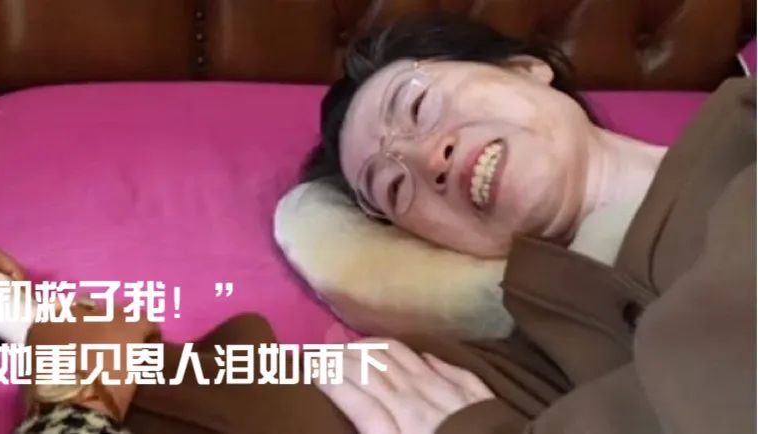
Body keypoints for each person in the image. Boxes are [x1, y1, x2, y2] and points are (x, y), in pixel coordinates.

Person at [299, 13, 755, 434]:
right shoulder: (488, 373)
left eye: (417, 105)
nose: (430, 159)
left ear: (526, 69)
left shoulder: (741, 139)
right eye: (395, 187)